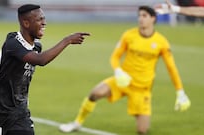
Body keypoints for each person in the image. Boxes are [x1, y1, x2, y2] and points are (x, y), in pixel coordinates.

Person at [59, 6, 190, 135]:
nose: (140, 19)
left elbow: (171, 68)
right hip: (123, 80)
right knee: (95, 93)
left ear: (153, 18)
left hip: (142, 88)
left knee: (142, 130)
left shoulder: (161, 42)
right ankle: (77, 123)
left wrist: (180, 92)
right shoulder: (129, 35)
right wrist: (118, 71)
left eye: (144, 16)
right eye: (139, 15)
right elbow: (115, 57)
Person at [0, 4, 90, 135]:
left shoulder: (36, 47)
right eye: (39, 20)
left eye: (44, 19)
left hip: (19, 114)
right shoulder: (13, 43)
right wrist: (67, 40)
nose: (44, 23)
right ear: (26, 23)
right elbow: (41, 60)